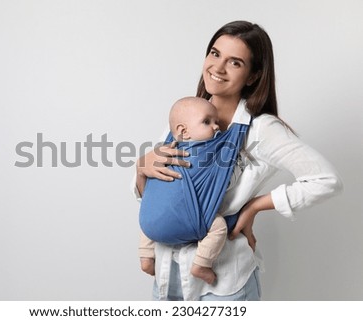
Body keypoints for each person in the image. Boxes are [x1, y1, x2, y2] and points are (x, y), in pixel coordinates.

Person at [133, 20, 343, 301]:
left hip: (224, 282)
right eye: (215, 53)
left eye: (235, 63)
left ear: (253, 76)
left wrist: (255, 206)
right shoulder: (185, 116)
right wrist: (141, 169)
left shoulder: (261, 129)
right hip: (169, 276)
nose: (217, 68)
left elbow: (326, 181)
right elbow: (165, 198)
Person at [139, 96, 231, 285]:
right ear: (183, 131)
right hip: (185, 217)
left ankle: (146, 256)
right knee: (218, 226)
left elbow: (146, 189)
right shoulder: (213, 152)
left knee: (150, 213)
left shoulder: (164, 150)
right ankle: (202, 264)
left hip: (151, 221)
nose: (216, 127)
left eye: (217, 122)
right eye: (207, 122)